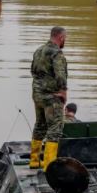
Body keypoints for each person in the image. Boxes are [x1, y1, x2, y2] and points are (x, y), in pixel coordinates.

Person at [29, 26, 68, 170]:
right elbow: (60, 74)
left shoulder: (38, 51)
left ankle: (34, 161)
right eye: (65, 38)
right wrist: (63, 92)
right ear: (61, 37)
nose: (65, 41)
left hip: (37, 95)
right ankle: (49, 165)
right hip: (51, 97)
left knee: (39, 125)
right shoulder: (57, 53)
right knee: (55, 129)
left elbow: (33, 71)